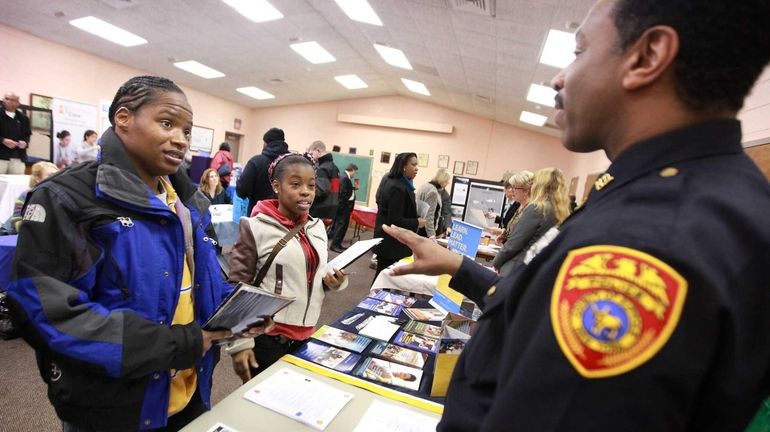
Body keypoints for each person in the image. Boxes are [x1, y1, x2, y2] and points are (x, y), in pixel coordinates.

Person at [380, 0, 770, 429]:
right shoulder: (691, 195)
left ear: (647, 56)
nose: (559, 76)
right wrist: (461, 267)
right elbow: (537, 311)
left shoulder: (644, 241)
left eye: (580, 51)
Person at [5, 76, 270, 432]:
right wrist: (176, 344)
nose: (181, 139)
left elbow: (199, 283)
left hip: (189, 391)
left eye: (187, 131)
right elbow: (46, 312)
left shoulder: (189, 204)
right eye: (167, 123)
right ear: (124, 119)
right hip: (112, 407)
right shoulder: (67, 198)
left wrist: (240, 312)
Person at [226, 152, 348, 382]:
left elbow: (314, 273)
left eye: (311, 185)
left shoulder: (317, 227)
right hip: (268, 337)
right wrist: (240, 343)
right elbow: (238, 287)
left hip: (306, 336)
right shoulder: (255, 227)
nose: (306, 191)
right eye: (295, 184)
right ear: (276, 186)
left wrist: (334, 282)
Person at [492, 167, 570, 276]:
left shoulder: (537, 208)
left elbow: (515, 244)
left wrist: (495, 262)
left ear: (539, 186)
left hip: (517, 269)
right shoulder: (561, 210)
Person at [372, 152, 425, 278]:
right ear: (403, 166)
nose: (417, 168)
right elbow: (395, 220)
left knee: (383, 277)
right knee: (384, 279)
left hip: (386, 240)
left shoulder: (391, 180)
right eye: (413, 164)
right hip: (392, 244)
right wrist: (417, 222)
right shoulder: (398, 187)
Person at [236, 127, 288, 215]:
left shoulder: (256, 162)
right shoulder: (291, 163)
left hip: (258, 215)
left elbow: (242, 191)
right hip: (283, 217)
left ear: (266, 143)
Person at [3, 161, 59, 234]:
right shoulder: (25, 196)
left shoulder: (58, 196)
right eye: (50, 175)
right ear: (37, 178)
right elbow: (16, 224)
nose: (55, 178)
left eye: (57, 175)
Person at [493, 170, 533, 245]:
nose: (512, 191)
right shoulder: (520, 206)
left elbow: (520, 237)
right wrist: (504, 236)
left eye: (515, 188)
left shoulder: (531, 210)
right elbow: (511, 230)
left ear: (526, 190)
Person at [307, 140, 340, 222]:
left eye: (311, 154)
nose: (311, 157)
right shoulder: (334, 167)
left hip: (320, 210)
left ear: (318, 151)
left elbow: (321, 191)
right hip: (332, 209)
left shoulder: (323, 168)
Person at [329, 163, 358, 252]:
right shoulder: (345, 178)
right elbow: (342, 194)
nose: (355, 174)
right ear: (352, 170)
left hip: (339, 206)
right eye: (355, 172)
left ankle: (338, 244)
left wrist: (352, 188)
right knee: (341, 227)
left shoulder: (341, 175)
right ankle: (335, 245)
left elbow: (343, 190)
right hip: (343, 208)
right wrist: (344, 206)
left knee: (339, 226)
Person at [416, 169, 451, 239]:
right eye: (447, 181)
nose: (448, 183)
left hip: (418, 227)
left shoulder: (424, 186)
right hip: (425, 232)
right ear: (442, 180)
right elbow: (429, 216)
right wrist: (431, 235)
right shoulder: (433, 192)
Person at [0, 92, 30, 174]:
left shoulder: (23, 118)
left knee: (17, 182)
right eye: (6, 98)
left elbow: (27, 135)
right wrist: (3, 140)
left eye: (12, 100)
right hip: (1, 157)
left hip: (17, 157)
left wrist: (24, 143)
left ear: (18, 103)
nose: (8, 101)